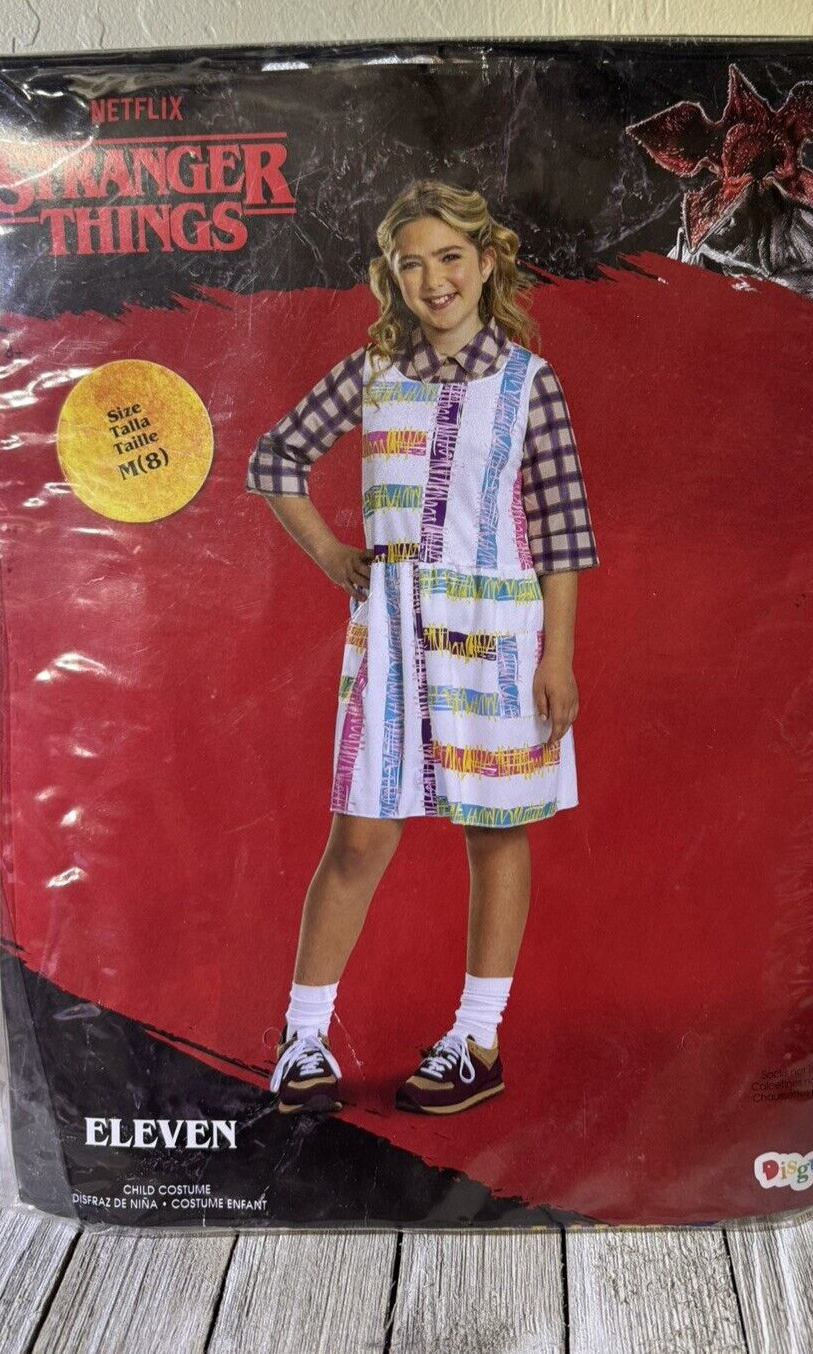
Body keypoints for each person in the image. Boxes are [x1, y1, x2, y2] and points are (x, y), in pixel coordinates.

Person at [245, 178, 599, 1117]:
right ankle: (303, 1036)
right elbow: (274, 458)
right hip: (393, 632)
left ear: (486, 263)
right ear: (392, 277)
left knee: (496, 829)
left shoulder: (529, 384)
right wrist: (332, 555)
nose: (434, 279)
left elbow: (562, 535)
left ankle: (476, 1038)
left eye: (449, 257)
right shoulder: (372, 372)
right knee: (360, 834)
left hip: (500, 639)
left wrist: (557, 658)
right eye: (412, 264)